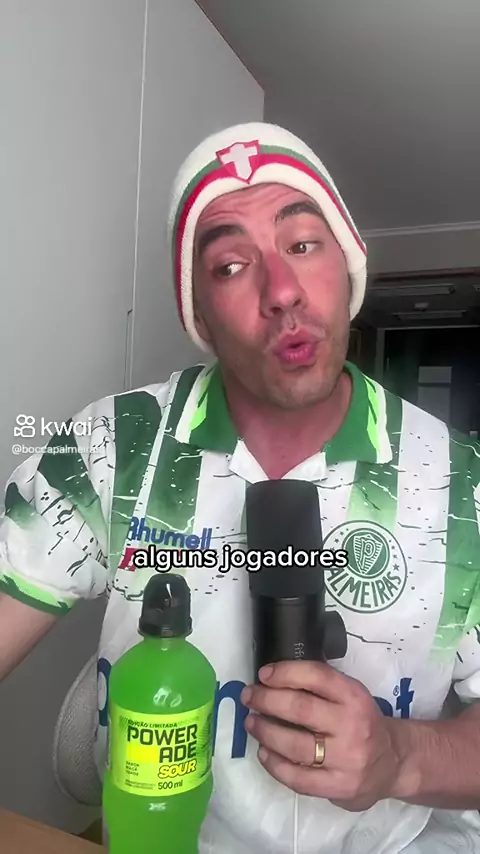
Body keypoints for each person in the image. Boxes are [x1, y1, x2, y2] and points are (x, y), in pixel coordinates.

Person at [1, 121, 480, 854]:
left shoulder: (462, 484)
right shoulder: (112, 447)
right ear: (200, 314)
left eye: (303, 244)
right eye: (230, 266)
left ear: (348, 268)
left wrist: (400, 756)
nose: (281, 291)